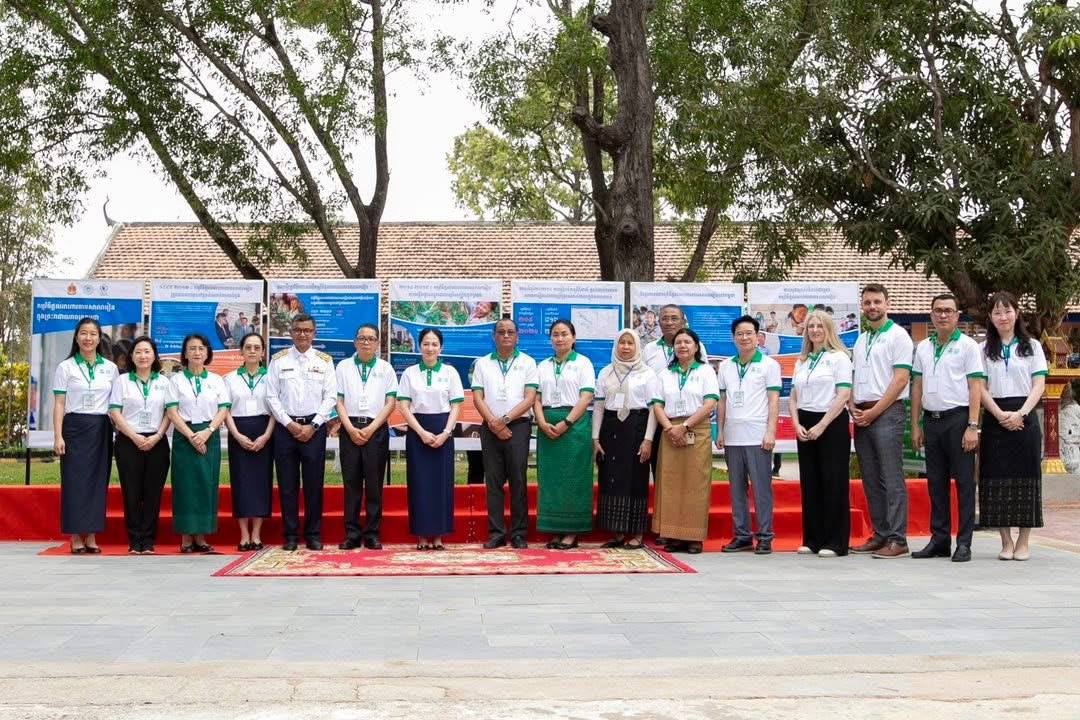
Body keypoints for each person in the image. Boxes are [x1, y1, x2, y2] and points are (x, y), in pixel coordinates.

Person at [910, 294, 986, 562]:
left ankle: (963, 543)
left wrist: (973, 426)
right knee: (935, 482)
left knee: (964, 482)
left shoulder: (968, 346)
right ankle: (939, 539)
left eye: (948, 311)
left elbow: (975, 387)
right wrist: (916, 424)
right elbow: (917, 386)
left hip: (959, 419)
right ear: (931, 315)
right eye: (938, 311)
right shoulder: (923, 347)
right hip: (932, 420)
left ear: (957, 315)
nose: (943, 315)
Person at [979, 292, 1047, 561]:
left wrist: (1021, 413)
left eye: (1007, 311)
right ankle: (1005, 541)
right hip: (994, 417)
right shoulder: (983, 349)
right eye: (997, 312)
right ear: (990, 317)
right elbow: (979, 387)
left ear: (1017, 313)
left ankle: (1024, 541)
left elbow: (1038, 384)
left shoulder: (1032, 346)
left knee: (1026, 477)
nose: (1003, 317)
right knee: (995, 479)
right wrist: (998, 414)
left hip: (1024, 415)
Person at [850, 283, 914, 558]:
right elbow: (855, 376)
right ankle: (881, 534)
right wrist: (853, 405)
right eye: (867, 303)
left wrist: (875, 411)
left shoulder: (899, 336)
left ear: (887, 304)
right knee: (871, 479)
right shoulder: (862, 339)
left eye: (877, 302)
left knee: (891, 477)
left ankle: (898, 539)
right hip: (862, 413)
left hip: (887, 412)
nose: (872, 307)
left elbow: (900, 380)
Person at [265, 314, 336, 551]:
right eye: (298, 330)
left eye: (307, 330)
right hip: (286, 429)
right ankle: (290, 535)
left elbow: (330, 397)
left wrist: (313, 425)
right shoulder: (278, 360)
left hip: (314, 429)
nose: (302, 334)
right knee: (287, 485)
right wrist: (289, 424)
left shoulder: (325, 361)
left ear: (314, 333)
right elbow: (271, 396)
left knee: (314, 484)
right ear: (291, 332)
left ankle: (313, 534)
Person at [789, 311, 853, 558]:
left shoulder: (839, 358)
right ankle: (812, 539)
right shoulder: (802, 361)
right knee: (810, 482)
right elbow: (793, 397)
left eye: (819, 326)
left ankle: (835, 542)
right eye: (810, 326)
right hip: (805, 422)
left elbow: (843, 395)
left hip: (831, 422)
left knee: (833, 481)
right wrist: (796, 424)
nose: (815, 330)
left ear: (828, 329)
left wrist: (822, 425)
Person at [717, 315, 782, 554]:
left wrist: (770, 432)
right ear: (733, 338)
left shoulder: (769, 365)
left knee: (761, 488)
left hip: (758, 436)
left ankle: (764, 536)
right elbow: (722, 400)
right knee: (737, 489)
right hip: (733, 436)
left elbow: (773, 400)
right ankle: (742, 535)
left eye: (749, 333)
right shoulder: (726, 366)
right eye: (739, 334)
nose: (744, 338)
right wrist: (720, 431)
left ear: (757, 336)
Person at [52, 318, 118, 554]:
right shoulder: (66, 367)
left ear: (99, 338)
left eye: (92, 334)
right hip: (74, 427)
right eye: (83, 333)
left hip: (101, 427)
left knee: (98, 482)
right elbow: (59, 403)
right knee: (74, 483)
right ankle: (75, 536)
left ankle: (91, 535)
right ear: (76, 337)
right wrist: (58, 436)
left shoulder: (110, 368)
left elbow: (115, 404)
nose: (88, 338)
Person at [471, 318, 538, 549]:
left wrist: (505, 420)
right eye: (501, 332)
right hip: (490, 427)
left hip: (518, 426)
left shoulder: (528, 362)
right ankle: (496, 533)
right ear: (494, 336)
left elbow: (530, 397)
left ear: (517, 336)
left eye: (510, 332)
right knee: (493, 480)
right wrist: (494, 422)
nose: (506, 335)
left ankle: (519, 533)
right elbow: (477, 397)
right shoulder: (482, 363)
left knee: (518, 480)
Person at [650, 328, 717, 554]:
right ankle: (673, 535)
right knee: (670, 483)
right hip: (670, 431)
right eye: (678, 342)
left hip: (696, 430)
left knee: (695, 483)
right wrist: (670, 428)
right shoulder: (665, 374)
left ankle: (694, 537)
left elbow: (709, 404)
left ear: (696, 347)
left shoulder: (706, 371)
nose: (682, 346)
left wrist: (685, 426)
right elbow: (657, 404)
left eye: (687, 342)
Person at [397, 328, 464, 550]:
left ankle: (439, 536)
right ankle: (422, 536)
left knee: (441, 485)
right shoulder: (409, 373)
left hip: (443, 431)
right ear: (419, 346)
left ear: (440, 348)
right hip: (418, 433)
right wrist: (421, 432)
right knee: (419, 484)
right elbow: (404, 406)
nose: (430, 348)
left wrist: (446, 432)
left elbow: (456, 406)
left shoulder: (450, 372)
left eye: (434, 344)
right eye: (426, 343)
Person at [165, 333, 231, 553]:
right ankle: (186, 537)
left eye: (201, 348)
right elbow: (172, 412)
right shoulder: (176, 380)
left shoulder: (216, 380)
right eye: (192, 348)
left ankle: (201, 536)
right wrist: (191, 436)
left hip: (209, 435)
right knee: (184, 487)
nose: (196, 352)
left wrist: (207, 432)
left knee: (206, 485)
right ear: (185, 353)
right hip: (184, 436)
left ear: (207, 353)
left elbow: (223, 409)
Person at [593, 329, 659, 549]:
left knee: (636, 478)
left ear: (637, 346)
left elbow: (653, 409)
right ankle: (617, 532)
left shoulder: (647, 373)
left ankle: (637, 533)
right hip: (611, 429)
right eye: (622, 342)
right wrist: (595, 438)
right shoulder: (606, 372)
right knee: (610, 479)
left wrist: (648, 440)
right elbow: (599, 407)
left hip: (637, 427)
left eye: (631, 343)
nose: (626, 347)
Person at [335, 323, 398, 551]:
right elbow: (338, 401)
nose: (366, 342)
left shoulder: (386, 368)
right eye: (361, 338)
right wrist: (350, 428)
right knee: (351, 483)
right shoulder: (343, 367)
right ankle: (351, 533)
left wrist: (371, 429)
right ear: (355, 342)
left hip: (376, 429)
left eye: (371, 338)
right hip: (349, 427)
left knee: (374, 484)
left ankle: (372, 533)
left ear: (378, 343)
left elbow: (390, 403)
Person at [534, 320, 595, 550]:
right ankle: (555, 529)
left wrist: (566, 422)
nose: (559, 338)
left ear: (574, 338)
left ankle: (572, 531)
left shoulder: (583, 363)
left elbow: (586, 397)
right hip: (547, 425)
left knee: (574, 477)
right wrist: (541, 422)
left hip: (574, 425)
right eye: (555, 334)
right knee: (551, 479)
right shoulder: (543, 366)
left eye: (564, 334)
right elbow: (536, 398)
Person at [108, 336, 171, 554]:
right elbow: (115, 412)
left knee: (153, 493)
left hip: (157, 441)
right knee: (131, 492)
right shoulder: (122, 381)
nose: (143, 356)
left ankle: (149, 540)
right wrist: (134, 436)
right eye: (138, 352)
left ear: (154, 356)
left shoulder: (164, 383)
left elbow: (170, 413)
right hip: (128, 441)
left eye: (147, 352)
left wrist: (158, 435)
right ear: (131, 357)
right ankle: (135, 540)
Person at [223, 333, 276, 551]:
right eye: (248, 347)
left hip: (264, 431)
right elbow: (225, 410)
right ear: (241, 351)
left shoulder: (271, 377)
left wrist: (266, 436)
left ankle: (256, 534)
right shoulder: (230, 379)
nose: (252, 351)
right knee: (241, 483)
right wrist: (236, 435)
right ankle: (244, 534)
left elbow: (276, 410)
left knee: (261, 482)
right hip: (239, 431)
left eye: (257, 347)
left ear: (263, 352)